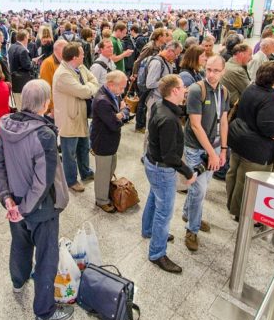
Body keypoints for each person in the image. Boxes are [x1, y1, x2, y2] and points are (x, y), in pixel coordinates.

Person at [0, 79, 73, 320]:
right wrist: (24, 209)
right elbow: (43, 181)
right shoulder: (44, 134)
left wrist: (8, 200)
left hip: (14, 202)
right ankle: (44, 313)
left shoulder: (6, 124)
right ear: (45, 103)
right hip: (40, 208)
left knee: (20, 244)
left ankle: (18, 281)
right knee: (47, 257)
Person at [227, 62, 274, 220]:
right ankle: (242, 214)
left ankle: (232, 206)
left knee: (234, 175)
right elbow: (271, 129)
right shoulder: (270, 99)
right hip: (256, 148)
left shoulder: (251, 88)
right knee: (246, 182)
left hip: (239, 140)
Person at [142, 74, 196, 273]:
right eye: (182, 87)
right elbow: (170, 156)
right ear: (174, 91)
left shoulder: (159, 105)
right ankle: (157, 252)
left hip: (151, 162)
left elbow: (176, 110)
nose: (185, 90)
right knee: (164, 212)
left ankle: (148, 230)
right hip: (162, 168)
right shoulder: (169, 121)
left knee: (153, 197)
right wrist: (188, 173)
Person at [181, 55, 229, 251]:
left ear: (223, 71)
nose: (211, 74)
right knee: (199, 189)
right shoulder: (196, 90)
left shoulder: (224, 92)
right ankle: (192, 228)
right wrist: (212, 153)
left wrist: (223, 149)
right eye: (209, 69)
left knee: (203, 187)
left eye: (216, 70)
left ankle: (189, 212)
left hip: (215, 147)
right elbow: (195, 125)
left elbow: (224, 121)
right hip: (196, 148)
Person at [52, 43, 99, 192]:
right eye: (82, 54)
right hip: (69, 119)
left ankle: (85, 173)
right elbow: (85, 91)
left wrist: (89, 88)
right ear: (74, 57)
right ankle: (71, 180)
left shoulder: (80, 67)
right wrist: (90, 89)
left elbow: (94, 80)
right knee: (69, 153)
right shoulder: (63, 75)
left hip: (80, 116)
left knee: (84, 147)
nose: (84, 55)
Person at [90, 71, 130, 213]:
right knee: (103, 172)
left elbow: (124, 112)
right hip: (103, 141)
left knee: (110, 169)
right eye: (121, 87)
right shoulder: (102, 100)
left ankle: (105, 192)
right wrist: (122, 113)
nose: (123, 91)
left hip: (111, 141)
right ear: (111, 84)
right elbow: (114, 123)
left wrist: (122, 113)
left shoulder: (113, 94)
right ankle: (101, 200)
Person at [144, 41, 182, 128]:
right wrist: (167, 82)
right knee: (151, 129)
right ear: (169, 51)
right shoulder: (157, 63)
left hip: (162, 99)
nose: (176, 57)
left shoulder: (167, 62)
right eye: (176, 54)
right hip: (154, 99)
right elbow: (149, 84)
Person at [8, 29, 35, 108]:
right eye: (28, 37)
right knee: (22, 105)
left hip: (14, 79)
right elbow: (27, 66)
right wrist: (33, 62)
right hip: (22, 81)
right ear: (25, 38)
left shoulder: (12, 47)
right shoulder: (22, 50)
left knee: (18, 103)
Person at [39, 39, 68, 114]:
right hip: (53, 109)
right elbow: (46, 87)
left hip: (62, 104)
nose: (68, 51)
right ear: (58, 49)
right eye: (66, 48)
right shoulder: (48, 63)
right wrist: (52, 106)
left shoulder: (63, 61)